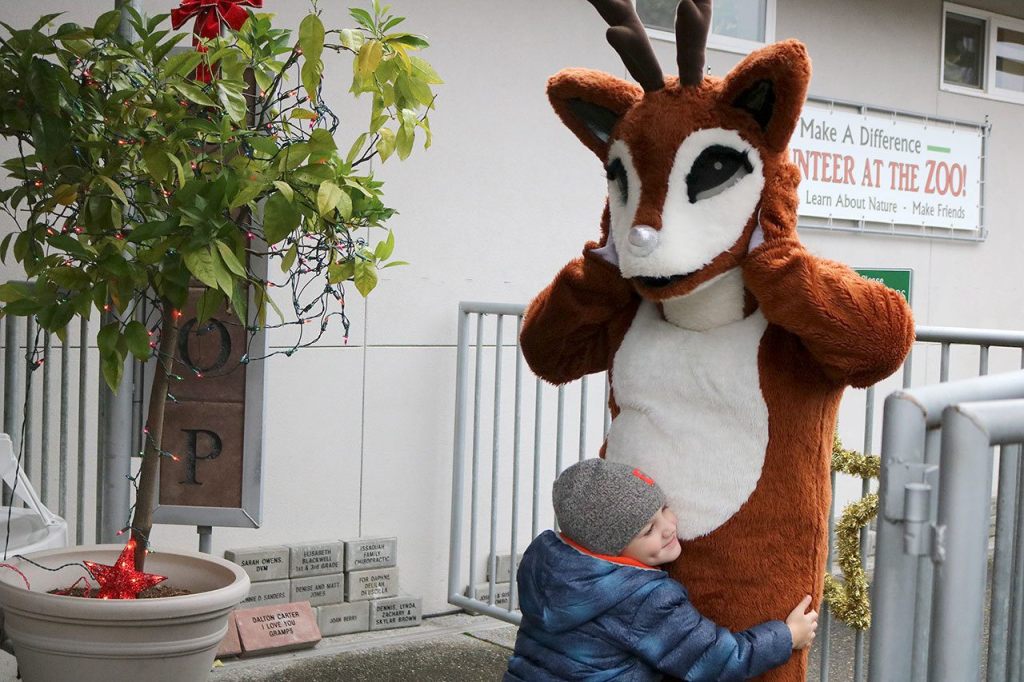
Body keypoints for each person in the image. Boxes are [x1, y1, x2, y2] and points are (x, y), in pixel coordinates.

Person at [505, 458, 818, 681]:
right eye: (648, 531)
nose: (669, 528)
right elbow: (715, 660)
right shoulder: (642, 600)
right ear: (612, 548)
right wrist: (787, 635)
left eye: (664, 509)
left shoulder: (547, 566)